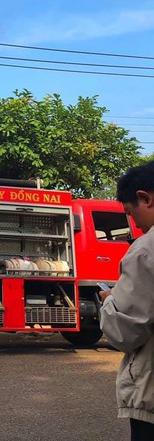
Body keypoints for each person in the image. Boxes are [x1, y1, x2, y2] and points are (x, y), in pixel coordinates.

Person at [99, 160, 154, 440]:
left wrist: (110, 302)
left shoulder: (145, 250)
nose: (134, 225)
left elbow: (127, 333)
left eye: (131, 214)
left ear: (146, 198)